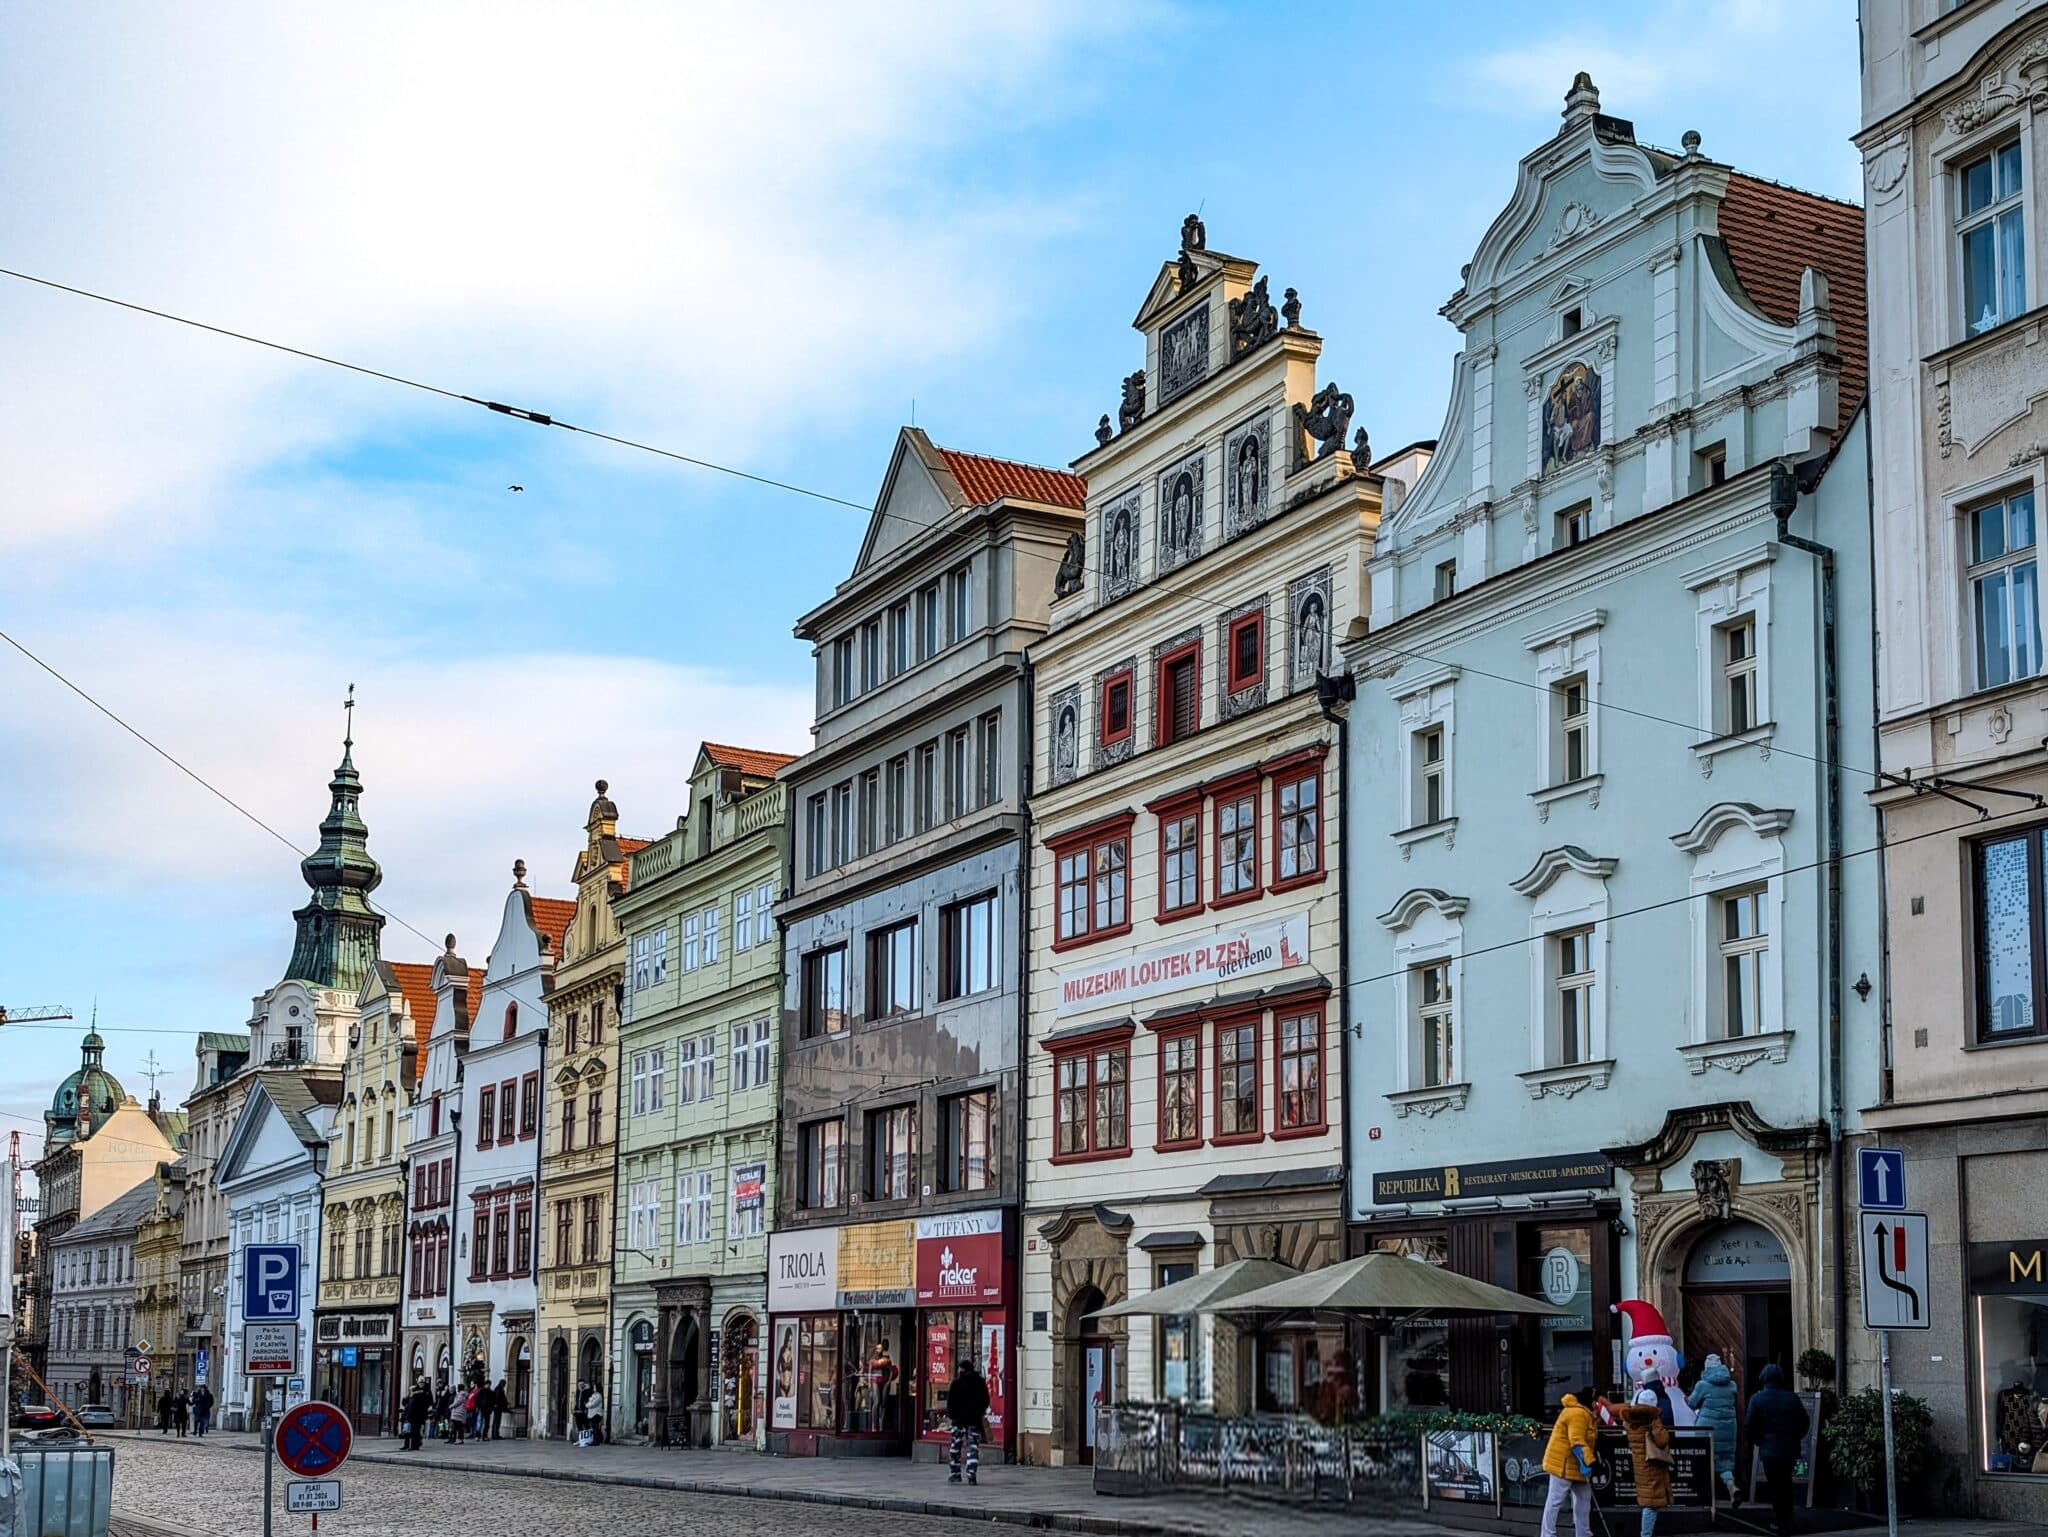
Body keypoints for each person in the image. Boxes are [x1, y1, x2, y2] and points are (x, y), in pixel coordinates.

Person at [1745, 1364, 1810, 1536]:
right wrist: (1795, 1437)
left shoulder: (1757, 1399)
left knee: (1774, 1484)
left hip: (1768, 1450)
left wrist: (1758, 1441)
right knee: (1786, 1483)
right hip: (1789, 1448)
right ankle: (1787, 1517)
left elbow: (1749, 1425)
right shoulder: (1792, 1398)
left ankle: (1779, 1519)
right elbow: (1804, 1422)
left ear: (1764, 1378)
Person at [1619, 1370, 1675, 1537]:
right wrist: (1659, 1425)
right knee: (1651, 1503)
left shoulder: (1630, 1421)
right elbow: (1662, 1440)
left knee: (1648, 1498)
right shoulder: (1652, 1420)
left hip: (1640, 1463)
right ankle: (1646, 1534)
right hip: (1652, 1463)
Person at [1539, 1385, 1600, 1537]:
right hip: (1564, 1464)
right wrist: (1590, 1461)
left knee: (1583, 1500)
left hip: (1575, 1464)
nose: (1597, 1404)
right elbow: (1576, 1440)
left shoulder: (1583, 1412)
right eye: (1596, 1401)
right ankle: (1548, 1534)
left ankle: (1583, 1533)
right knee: (1556, 1500)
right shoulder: (1578, 1413)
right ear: (1590, 1400)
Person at [1687, 1354, 1742, 1502]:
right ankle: (1732, 1487)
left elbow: (1692, 1404)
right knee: (1725, 1463)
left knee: (1704, 1460)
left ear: (1706, 1368)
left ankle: (1705, 1497)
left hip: (1707, 1430)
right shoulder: (1732, 1385)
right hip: (1728, 1429)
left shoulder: (1702, 1385)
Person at [945, 1359, 989, 1486]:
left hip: (958, 1420)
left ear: (961, 1369)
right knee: (973, 1447)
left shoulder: (956, 1383)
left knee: (955, 1447)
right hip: (974, 1420)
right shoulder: (979, 1382)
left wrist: (952, 1416)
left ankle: (955, 1473)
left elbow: (950, 1403)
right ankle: (971, 1474)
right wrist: (980, 1412)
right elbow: (985, 1400)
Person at [404, 1380, 432, 1451]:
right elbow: (406, 1403)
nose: (421, 1384)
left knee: (416, 1431)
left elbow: (426, 1402)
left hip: (418, 1415)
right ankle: (412, 1445)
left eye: (422, 1383)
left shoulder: (422, 1394)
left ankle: (415, 1445)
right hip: (412, 1415)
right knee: (412, 1431)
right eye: (420, 1383)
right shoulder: (412, 1395)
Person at [581, 1383, 605, 1447]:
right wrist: (588, 1404)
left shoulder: (599, 1396)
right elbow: (589, 1402)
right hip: (592, 1414)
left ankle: (596, 1441)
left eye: (595, 1387)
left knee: (595, 1428)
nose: (594, 1388)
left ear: (597, 1388)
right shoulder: (593, 1395)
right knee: (594, 1428)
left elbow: (593, 1404)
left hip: (596, 1414)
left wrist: (586, 1405)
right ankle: (597, 1439)